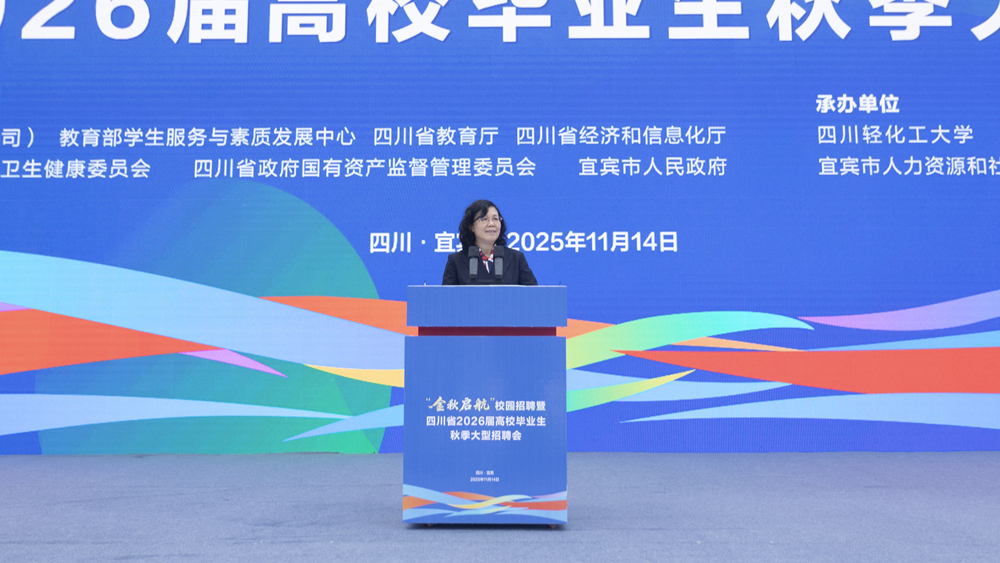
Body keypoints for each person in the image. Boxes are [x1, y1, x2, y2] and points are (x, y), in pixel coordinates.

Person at [442, 200, 537, 285]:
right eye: (484, 219)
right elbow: (446, 297)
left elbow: (534, 295)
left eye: (495, 219)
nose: (491, 224)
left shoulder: (516, 258)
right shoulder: (456, 261)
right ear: (471, 226)